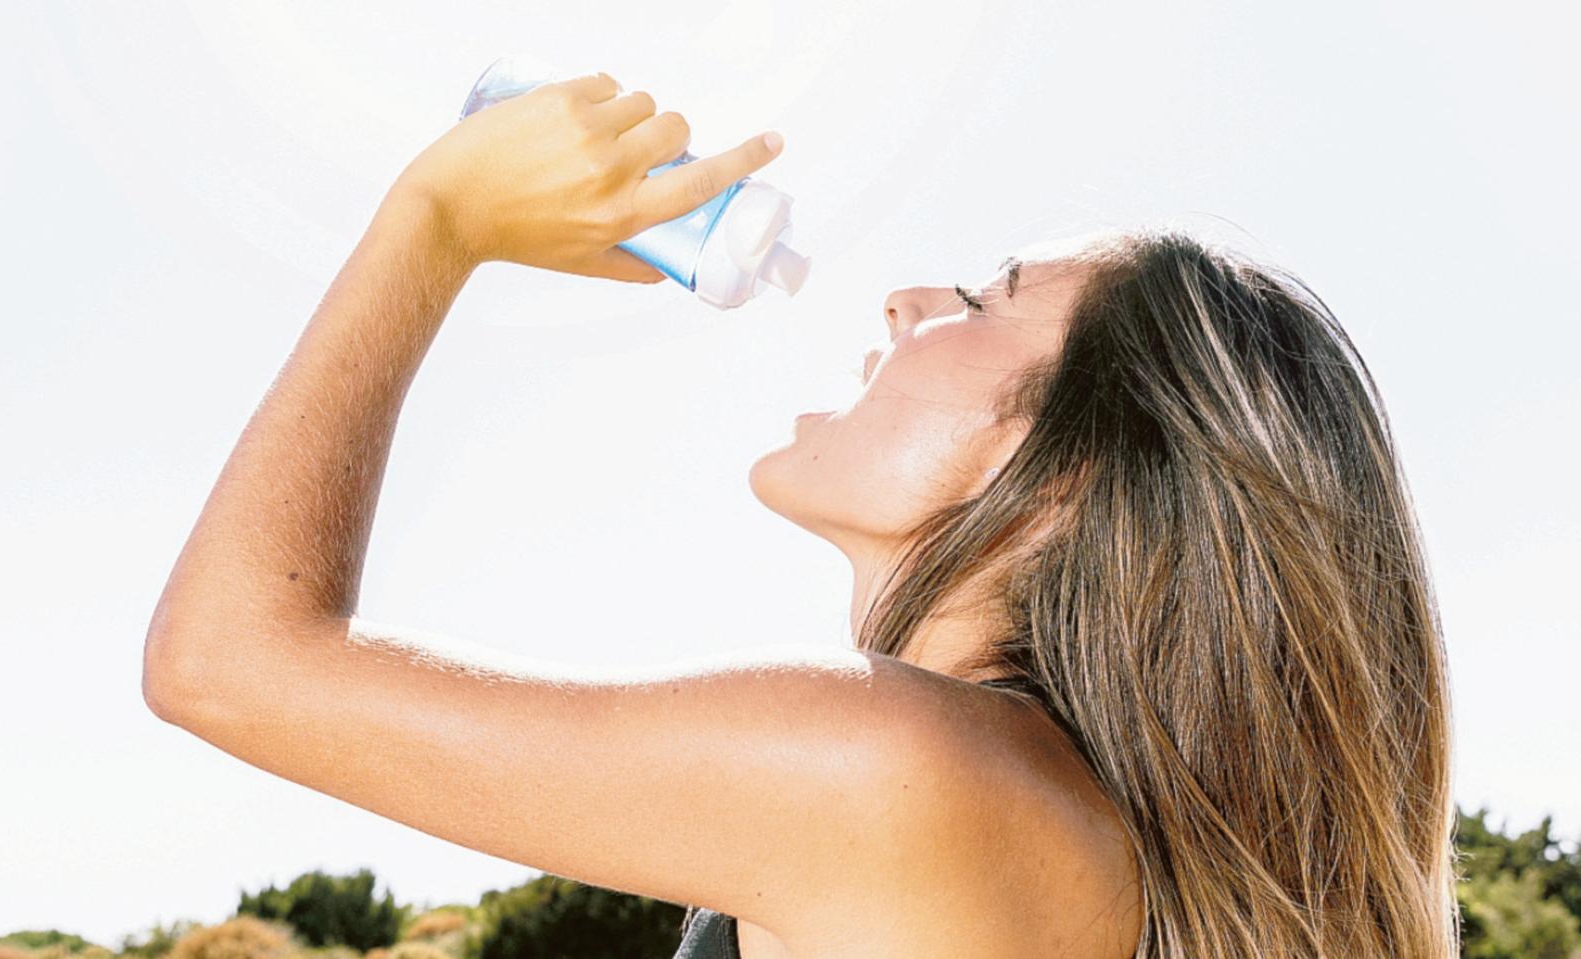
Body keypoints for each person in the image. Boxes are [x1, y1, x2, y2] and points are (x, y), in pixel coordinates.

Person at [141, 70, 1459, 958]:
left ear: (1069, 474)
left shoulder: (896, 768)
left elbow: (227, 663)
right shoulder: (1052, 821)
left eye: (984, 301)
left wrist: (433, 223)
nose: (907, 301)